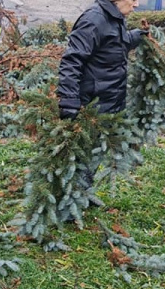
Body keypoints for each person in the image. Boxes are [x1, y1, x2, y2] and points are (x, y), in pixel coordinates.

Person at [56, 0, 146, 190]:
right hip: (92, 102)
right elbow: (72, 60)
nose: (137, 4)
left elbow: (111, 46)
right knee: (83, 153)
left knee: (94, 153)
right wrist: (69, 99)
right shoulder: (94, 19)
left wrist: (133, 37)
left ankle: (84, 193)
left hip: (109, 99)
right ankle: (72, 201)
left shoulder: (114, 17)